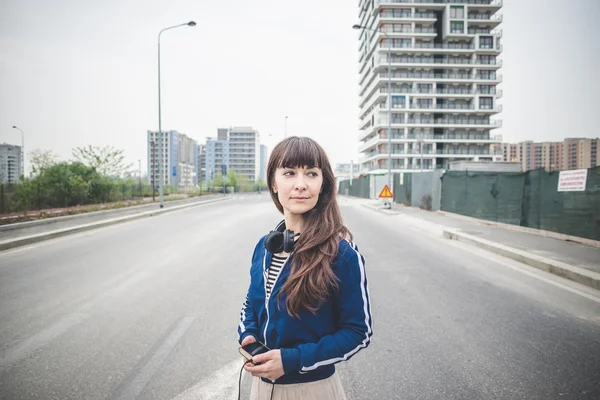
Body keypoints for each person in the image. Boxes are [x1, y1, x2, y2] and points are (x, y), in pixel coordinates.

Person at [237, 136, 373, 399]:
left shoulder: (342, 254)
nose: (300, 184)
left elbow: (358, 332)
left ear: (322, 184)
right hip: (261, 389)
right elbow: (250, 304)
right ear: (274, 184)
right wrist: (248, 334)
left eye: (311, 173)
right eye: (289, 173)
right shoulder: (264, 247)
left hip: (313, 390)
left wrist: (291, 360)